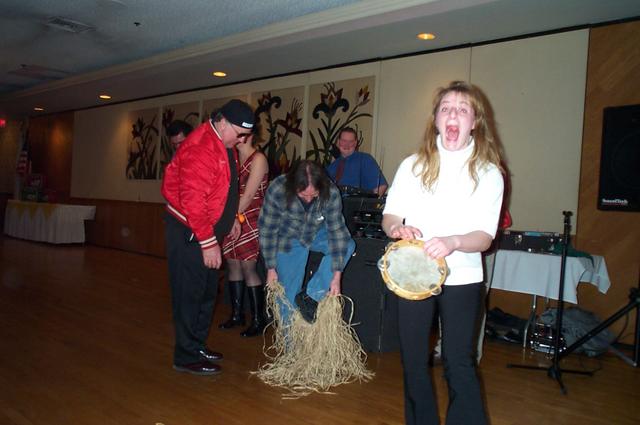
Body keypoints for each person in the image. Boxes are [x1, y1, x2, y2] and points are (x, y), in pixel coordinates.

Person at [382, 81, 504, 425]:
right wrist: (397, 229)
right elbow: (391, 215)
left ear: (474, 122)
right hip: (413, 277)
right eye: (446, 108)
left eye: (463, 109)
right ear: (435, 118)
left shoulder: (489, 172)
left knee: (458, 361)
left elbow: (484, 237)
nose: (453, 114)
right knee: (413, 361)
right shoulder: (411, 165)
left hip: (463, 278)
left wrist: (453, 242)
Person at [161, 99, 255, 376]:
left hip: (208, 229)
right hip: (189, 230)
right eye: (240, 133)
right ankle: (185, 355)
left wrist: (231, 219)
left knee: (206, 291)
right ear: (222, 122)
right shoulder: (200, 148)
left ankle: (197, 345)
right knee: (189, 294)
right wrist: (207, 242)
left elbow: (225, 188)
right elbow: (193, 201)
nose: (242, 140)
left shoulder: (224, 143)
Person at [259, 160, 355, 327]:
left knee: (347, 244)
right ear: (293, 186)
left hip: (316, 233)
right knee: (287, 296)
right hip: (287, 239)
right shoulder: (278, 189)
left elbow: (338, 233)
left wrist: (336, 277)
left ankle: (311, 296)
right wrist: (271, 268)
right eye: (304, 195)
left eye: (314, 195)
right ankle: (289, 342)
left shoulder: (330, 191)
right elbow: (267, 230)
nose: (309, 199)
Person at [219, 129, 269, 337]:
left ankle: (258, 319)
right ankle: (237, 314)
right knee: (233, 264)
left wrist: (232, 217)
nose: (235, 138)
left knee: (249, 267)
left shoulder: (258, 159)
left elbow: (248, 196)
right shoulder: (232, 158)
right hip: (232, 217)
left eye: (240, 134)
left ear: (249, 135)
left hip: (251, 217)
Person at [326, 127, 388, 196]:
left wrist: (369, 201)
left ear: (355, 143)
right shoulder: (332, 166)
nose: (347, 145)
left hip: (357, 202)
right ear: (338, 142)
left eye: (350, 142)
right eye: (344, 141)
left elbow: (381, 187)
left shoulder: (365, 160)